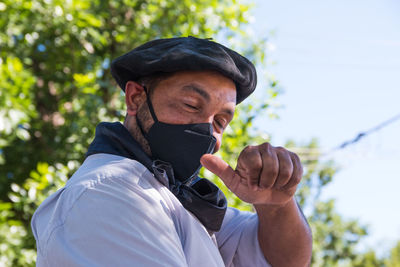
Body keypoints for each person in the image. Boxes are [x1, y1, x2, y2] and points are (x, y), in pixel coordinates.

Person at [31, 36, 312, 267]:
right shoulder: (111, 192)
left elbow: (284, 260)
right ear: (135, 98)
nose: (207, 130)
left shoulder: (180, 202)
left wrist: (275, 206)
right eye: (191, 105)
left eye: (220, 121)